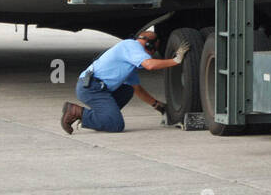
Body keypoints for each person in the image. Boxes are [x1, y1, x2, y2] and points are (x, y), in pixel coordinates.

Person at [60, 29, 189, 134]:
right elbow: (149, 65)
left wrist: (159, 106)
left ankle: (104, 116)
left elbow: (137, 89)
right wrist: (176, 61)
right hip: (92, 88)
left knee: (127, 90)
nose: (152, 53)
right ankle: (77, 112)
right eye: (154, 49)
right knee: (116, 125)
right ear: (148, 44)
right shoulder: (131, 46)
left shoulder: (130, 58)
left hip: (96, 87)